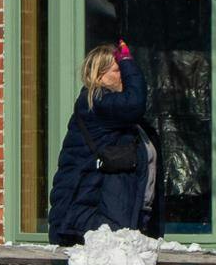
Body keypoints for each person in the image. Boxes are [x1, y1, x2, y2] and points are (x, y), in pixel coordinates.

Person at [47, 40, 156, 246]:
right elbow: (134, 103)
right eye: (118, 69)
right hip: (92, 220)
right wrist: (128, 61)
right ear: (99, 76)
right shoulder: (95, 102)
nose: (123, 74)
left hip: (114, 219)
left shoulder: (123, 120)